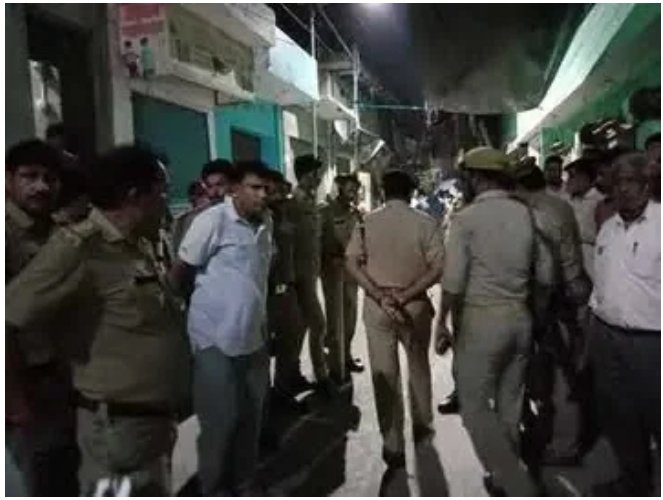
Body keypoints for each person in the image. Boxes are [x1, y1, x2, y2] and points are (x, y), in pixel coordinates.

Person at [6, 145, 191, 495]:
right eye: (162, 192)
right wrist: (13, 400)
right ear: (134, 195)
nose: (167, 202)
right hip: (117, 428)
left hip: (150, 425)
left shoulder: (137, 244)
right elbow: (9, 316)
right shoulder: (78, 249)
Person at [436, 147, 550, 496]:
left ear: (476, 177)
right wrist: (536, 315)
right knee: (511, 402)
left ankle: (510, 478)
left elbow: (453, 281)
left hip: (481, 320)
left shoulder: (466, 219)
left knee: (472, 405)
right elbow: (546, 275)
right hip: (520, 317)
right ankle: (505, 470)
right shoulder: (527, 214)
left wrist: (441, 322)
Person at [170, 161, 273, 495]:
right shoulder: (211, 221)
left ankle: (245, 484)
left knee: (250, 421)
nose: (262, 195)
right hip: (214, 341)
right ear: (235, 189)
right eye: (255, 187)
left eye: (266, 189)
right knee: (218, 424)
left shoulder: (266, 223)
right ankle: (213, 489)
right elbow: (180, 273)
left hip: (254, 340)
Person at [346, 168, 444, 470]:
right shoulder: (425, 223)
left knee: (384, 373)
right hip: (414, 305)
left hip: (378, 307)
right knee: (418, 366)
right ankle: (423, 425)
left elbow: (351, 262)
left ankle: (392, 443)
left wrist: (379, 294)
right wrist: (406, 295)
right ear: (411, 193)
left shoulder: (366, 222)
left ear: (382, 191)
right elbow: (438, 267)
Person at [5, 139, 80, 496]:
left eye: (49, 178)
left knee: (62, 474)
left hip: (61, 379)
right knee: (30, 480)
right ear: (8, 180)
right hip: (23, 382)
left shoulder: (59, 233)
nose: (41, 186)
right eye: (29, 176)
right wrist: (13, 398)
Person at [588, 152, 660, 496]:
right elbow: (600, 289)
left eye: (632, 182)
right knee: (619, 415)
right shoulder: (608, 229)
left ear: (647, 185)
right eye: (618, 183)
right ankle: (635, 482)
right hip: (607, 337)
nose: (624, 189)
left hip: (652, 343)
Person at [512, 161, 591, 470]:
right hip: (571, 294)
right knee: (560, 375)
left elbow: (545, 273)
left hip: (554, 302)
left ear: (520, 187)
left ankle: (565, 446)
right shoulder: (559, 205)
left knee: (560, 379)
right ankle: (559, 437)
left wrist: (538, 311)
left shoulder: (536, 214)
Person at [290, 154, 335, 396]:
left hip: (310, 273)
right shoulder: (294, 204)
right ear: (306, 175)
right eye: (316, 174)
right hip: (298, 277)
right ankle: (321, 375)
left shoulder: (312, 202)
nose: (319, 179)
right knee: (317, 324)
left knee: (301, 328)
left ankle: (292, 375)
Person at [264, 169, 310, 399]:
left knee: (293, 337)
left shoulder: (286, 213)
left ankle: (285, 385)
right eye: (275, 191)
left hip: (289, 284)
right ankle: (270, 397)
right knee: (267, 346)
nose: (280, 196)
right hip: (270, 290)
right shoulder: (263, 218)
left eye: (283, 191)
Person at [320, 173, 364, 383]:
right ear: (339, 188)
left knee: (350, 318)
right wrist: (330, 256)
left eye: (356, 189)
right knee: (335, 318)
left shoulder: (356, 213)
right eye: (350, 189)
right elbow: (319, 242)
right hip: (333, 272)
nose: (353, 193)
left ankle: (346, 356)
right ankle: (334, 363)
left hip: (352, 273)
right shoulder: (326, 212)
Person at [171, 158, 233, 251]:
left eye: (220, 185)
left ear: (233, 185)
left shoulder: (246, 217)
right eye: (209, 186)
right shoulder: (192, 220)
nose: (213, 193)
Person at [564, 157, 604, 281]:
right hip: (569, 255)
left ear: (586, 178)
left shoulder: (599, 201)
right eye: (568, 176)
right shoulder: (567, 201)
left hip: (591, 254)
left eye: (572, 176)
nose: (568, 181)